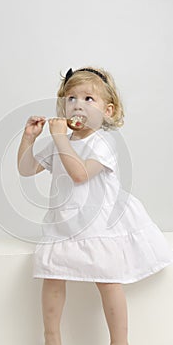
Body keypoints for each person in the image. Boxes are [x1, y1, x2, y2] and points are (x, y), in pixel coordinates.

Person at [17, 67, 173, 345]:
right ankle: (51, 338)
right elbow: (27, 169)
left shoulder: (103, 142)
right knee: (52, 276)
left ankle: (119, 341)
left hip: (98, 223)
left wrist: (60, 138)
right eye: (71, 98)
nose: (77, 104)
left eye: (89, 99)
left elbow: (79, 174)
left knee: (108, 280)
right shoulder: (58, 143)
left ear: (108, 111)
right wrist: (29, 138)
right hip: (63, 222)